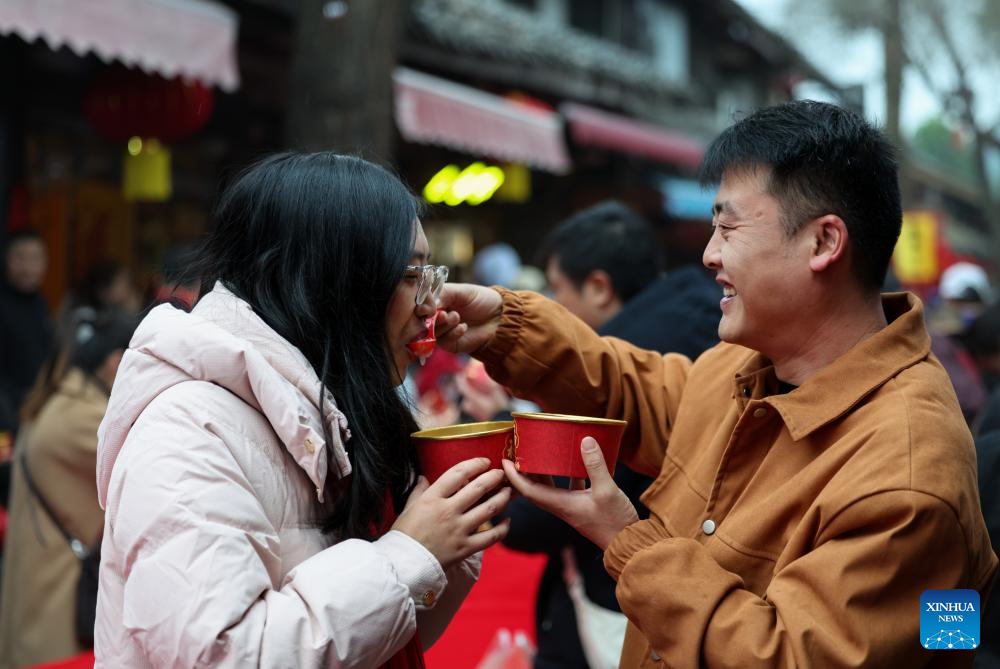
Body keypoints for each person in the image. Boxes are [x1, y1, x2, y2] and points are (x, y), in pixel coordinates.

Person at [434, 101, 998, 667]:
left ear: (824, 243)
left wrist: (628, 543)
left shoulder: (904, 472)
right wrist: (505, 327)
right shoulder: (745, 367)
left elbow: (791, 658)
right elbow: (636, 388)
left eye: (728, 228)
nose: (709, 255)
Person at [92, 152, 511, 667]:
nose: (434, 305)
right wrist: (408, 556)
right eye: (413, 275)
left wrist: (450, 537)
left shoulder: (326, 409)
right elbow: (221, 656)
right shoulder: (190, 430)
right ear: (334, 281)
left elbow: (385, 638)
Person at [498, 200, 719, 668]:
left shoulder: (717, 361)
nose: (714, 254)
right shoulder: (713, 339)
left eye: (732, 228)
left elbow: (534, 523)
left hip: (630, 606)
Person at [0, 311, 136, 669]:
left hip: (38, 585)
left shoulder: (64, 400)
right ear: (114, 362)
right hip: (53, 598)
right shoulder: (83, 417)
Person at [0, 229, 53, 438]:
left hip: (35, 410)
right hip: (8, 414)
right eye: (20, 258)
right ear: (6, 260)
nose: (28, 267)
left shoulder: (41, 303)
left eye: (35, 258)